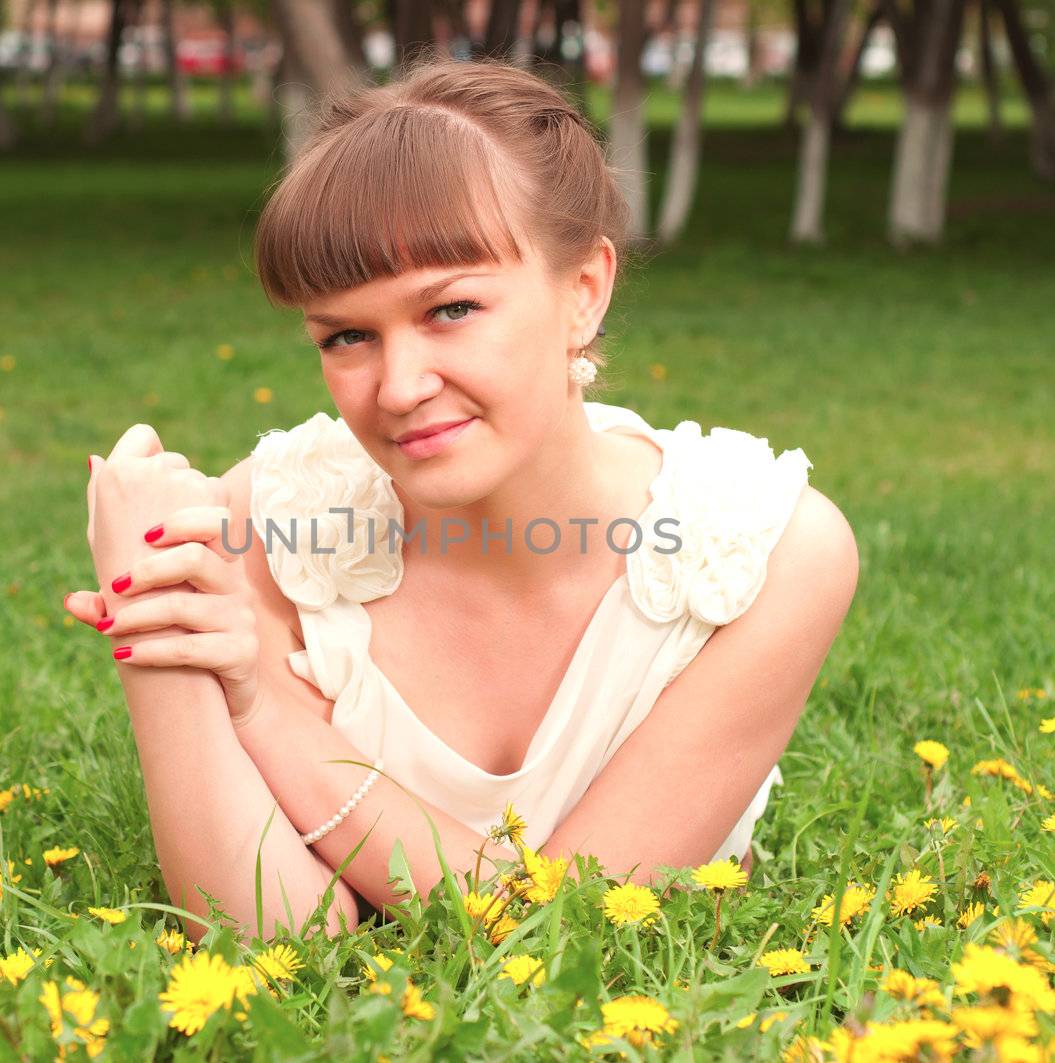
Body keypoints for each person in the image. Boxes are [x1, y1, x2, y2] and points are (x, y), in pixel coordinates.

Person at [62, 56, 859, 942]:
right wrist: (156, 626)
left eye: (450, 310)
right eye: (348, 335)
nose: (398, 387)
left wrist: (264, 707)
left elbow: (569, 926)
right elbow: (275, 935)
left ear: (584, 292)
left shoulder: (762, 553)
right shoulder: (275, 524)